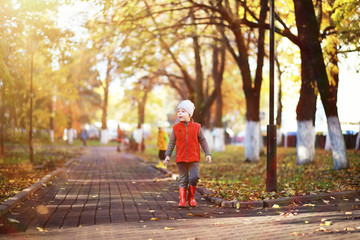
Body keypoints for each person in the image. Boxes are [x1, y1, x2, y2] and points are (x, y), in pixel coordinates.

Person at [164, 100, 212, 207]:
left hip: (194, 158)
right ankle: (182, 200)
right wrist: (167, 155)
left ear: (189, 114)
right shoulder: (176, 128)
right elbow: (171, 142)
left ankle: (191, 197)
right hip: (181, 158)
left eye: (183, 111)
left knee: (194, 177)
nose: (179, 113)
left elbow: (203, 141)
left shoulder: (197, 127)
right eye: (179, 111)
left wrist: (207, 153)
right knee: (183, 178)